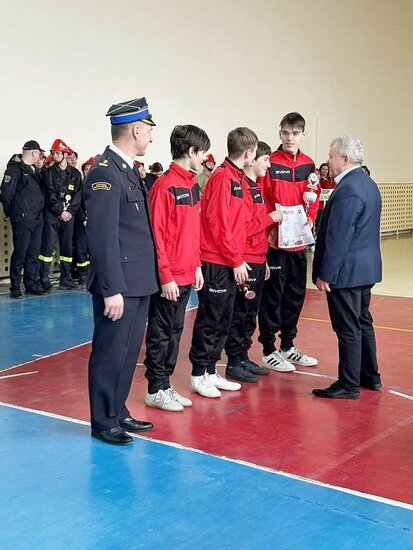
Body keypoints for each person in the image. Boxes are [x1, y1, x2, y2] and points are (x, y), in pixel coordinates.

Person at [84, 96, 158, 445]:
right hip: (120, 284)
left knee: (128, 352)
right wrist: (111, 287)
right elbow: (102, 237)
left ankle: (117, 409)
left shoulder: (127, 170)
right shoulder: (105, 173)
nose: (151, 137)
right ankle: (103, 420)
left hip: (138, 281)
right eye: (149, 130)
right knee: (111, 351)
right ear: (137, 130)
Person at [144, 124, 210, 411]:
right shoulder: (164, 186)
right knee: (161, 332)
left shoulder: (193, 186)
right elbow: (157, 235)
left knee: (175, 331)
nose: (205, 158)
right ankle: (154, 388)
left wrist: (196, 266)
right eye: (203, 152)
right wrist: (165, 276)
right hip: (170, 278)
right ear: (191, 151)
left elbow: (193, 232)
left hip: (187, 273)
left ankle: (165, 384)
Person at [188, 127, 258, 398]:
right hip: (216, 261)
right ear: (248, 153)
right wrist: (236, 259)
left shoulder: (236, 178)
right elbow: (219, 224)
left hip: (229, 261)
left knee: (224, 319)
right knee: (211, 318)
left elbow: (236, 224)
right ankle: (198, 373)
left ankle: (210, 369)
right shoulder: (221, 177)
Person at [312, 136, 382, 399]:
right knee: (362, 322)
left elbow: (338, 236)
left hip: (347, 272)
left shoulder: (348, 188)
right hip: (364, 269)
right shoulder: (367, 183)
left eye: (331, 156)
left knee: (348, 327)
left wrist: (326, 273)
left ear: (345, 158)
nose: (328, 161)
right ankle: (370, 377)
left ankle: (349, 384)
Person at [258, 112, 319, 372]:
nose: (289, 138)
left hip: (299, 242)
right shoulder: (270, 162)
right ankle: (268, 349)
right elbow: (262, 199)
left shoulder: (309, 164)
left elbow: (314, 195)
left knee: (295, 295)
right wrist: (268, 230)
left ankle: (288, 345)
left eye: (294, 133)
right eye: (285, 133)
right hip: (276, 243)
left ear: (303, 135)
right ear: (280, 133)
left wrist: (311, 218)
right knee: (273, 296)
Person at [224, 141, 282, 382]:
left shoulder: (256, 188)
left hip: (257, 258)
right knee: (240, 312)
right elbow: (244, 228)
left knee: (250, 313)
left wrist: (263, 258)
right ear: (252, 160)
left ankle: (243, 355)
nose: (268, 165)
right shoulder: (243, 189)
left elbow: (257, 232)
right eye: (265, 160)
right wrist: (270, 218)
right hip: (245, 260)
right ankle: (234, 361)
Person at [0, 141, 45, 298]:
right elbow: (6, 194)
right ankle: (15, 286)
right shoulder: (14, 170)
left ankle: (31, 284)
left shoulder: (33, 170)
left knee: (33, 253)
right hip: (23, 219)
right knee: (20, 253)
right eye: (39, 153)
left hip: (37, 219)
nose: (39, 156)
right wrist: (12, 213)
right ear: (33, 153)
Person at [38, 138, 82, 291]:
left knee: (67, 249)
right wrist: (60, 212)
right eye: (53, 153)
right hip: (52, 216)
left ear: (65, 154)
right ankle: (44, 280)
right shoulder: (48, 173)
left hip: (68, 216)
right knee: (47, 248)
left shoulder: (75, 174)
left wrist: (69, 212)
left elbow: (78, 196)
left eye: (57, 153)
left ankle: (66, 278)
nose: (54, 155)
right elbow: (49, 195)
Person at [315, 163, 336, 234]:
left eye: (326, 169)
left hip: (328, 204)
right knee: (318, 223)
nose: (325, 171)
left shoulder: (331, 179)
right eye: (323, 169)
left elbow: (333, 188)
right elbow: (326, 187)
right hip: (320, 205)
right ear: (320, 170)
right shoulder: (318, 180)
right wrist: (324, 180)